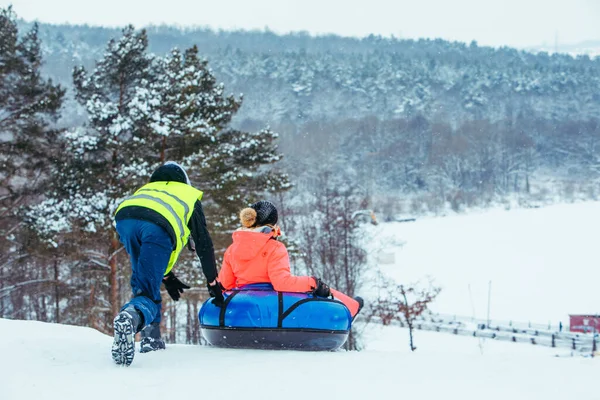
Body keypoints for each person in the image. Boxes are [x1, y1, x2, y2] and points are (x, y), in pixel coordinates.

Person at [111, 161, 224, 366]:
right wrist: (213, 281)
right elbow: (203, 244)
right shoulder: (187, 196)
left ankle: (150, 338)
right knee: (146, 288)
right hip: (157, 226)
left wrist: (167, 275)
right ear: (183, 180)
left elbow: (149, 245)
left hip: (125, 218)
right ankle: (131, 318)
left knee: (143, 282)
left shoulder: (148, 190)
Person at [218, 200, 364, 318]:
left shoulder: (232, 249)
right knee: (316, 285)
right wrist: (312, 283)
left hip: (245, 303)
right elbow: (281, 283)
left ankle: (351, 306)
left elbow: (225, 284)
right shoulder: (275, 247)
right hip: (272, 306)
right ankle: (351, 308)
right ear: (272, 224)